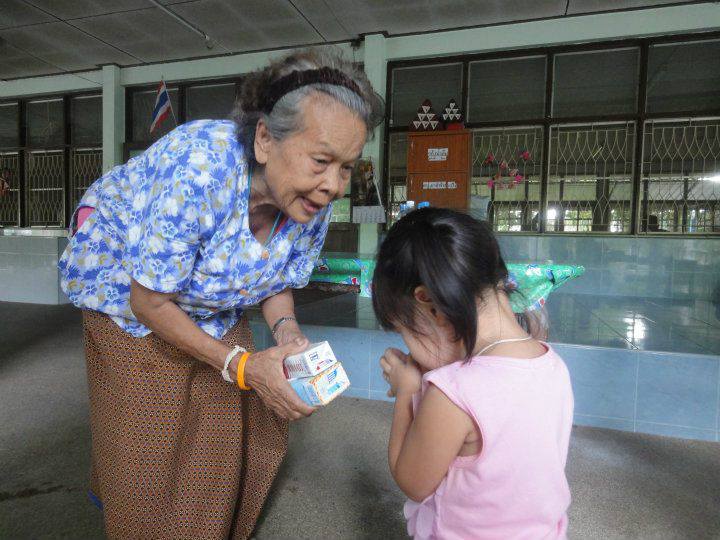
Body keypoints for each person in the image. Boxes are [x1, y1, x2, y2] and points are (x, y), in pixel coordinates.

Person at [58, 48, 383, 540]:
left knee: (225, 428)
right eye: (322, 160)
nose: (334, 185)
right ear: (265, 139)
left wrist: (286, 332)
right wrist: (242, 364)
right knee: (145, 436)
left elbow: (277, 283)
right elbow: (148, 302)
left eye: (347, 168)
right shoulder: (198, 171)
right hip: (126, 292)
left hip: (209, 295)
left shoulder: (310, 203)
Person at [372, 208, 574, 540]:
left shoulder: (453, 392)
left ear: (430, 304)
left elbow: (412, 482)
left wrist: (407, 387)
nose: (408, 346)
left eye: (404, 331)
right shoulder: (551, 365)